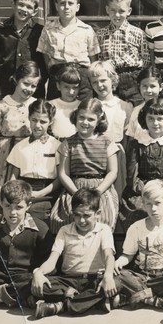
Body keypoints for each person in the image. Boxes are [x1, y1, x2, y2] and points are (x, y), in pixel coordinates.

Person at [30, 188, 119, 318]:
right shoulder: (64, 231)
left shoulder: (104, 230)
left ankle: (61, 305)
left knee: (119, 281)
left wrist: (108, 276)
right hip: (68, 281)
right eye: (77, 215)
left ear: (98, 213)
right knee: (38, 283)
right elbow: (52, 260)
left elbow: (109, 256)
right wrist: (39, 272)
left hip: (94, 280)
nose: (81, 220)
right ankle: (93, 302)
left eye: (86, 215)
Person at [0, 181, 53, 309]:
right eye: (7, 206)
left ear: (28, 206)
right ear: (1, 203)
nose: (12, 212)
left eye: (18, 207)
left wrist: (38, 272)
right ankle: (17, 296)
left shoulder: (40, 228)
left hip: (26, 277)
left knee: (45, 284)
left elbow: (50, 261)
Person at [113, 180, 163, 310]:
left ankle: (136, 297)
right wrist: (119, 261)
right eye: (148, 204)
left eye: (158, 203)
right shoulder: (136, 227)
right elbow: (127, 255)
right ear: (143, 203)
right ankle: (154, 299)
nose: (153, 209)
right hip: (143, 276)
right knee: (119, 275)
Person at [51, 98, 119, 233]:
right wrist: (76, 194)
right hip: (75, 187)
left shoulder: (107, 142)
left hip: (100, 188)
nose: (85, 122)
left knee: (102, 218)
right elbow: (63, 173)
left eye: (91, 119)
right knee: (64, 218)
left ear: (99, 120)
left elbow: (112, 172)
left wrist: (97, 192)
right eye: (81, 117)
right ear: (76, 117)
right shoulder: (68, 143)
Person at [0, 61, 39, 216]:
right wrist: (4, 153)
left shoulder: (36, 105)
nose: (29, 89)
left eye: (33, 86)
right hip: (5, 156)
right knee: (3, 190)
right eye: (26, 83)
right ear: (16, 80)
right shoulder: (1, 106)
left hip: (28, 155)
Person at [121, 98, 163, 231]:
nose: (155, 123)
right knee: (140, 211)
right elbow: (132, 177)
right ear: (144, 119)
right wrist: (147, 191)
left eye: (160, 119)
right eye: (150, 118)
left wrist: (161, 192)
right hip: (141, 191)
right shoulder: (136, 144)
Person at [0, 0, 47, 98]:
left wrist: (37, 79)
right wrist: (5, 71)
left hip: (33, 91)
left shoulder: (40, 32)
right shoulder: (2, 32)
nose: (24, 9)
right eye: (21, 4)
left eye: (29, 7)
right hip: (9, 89)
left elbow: (46, 63)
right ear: (13, 5)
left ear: (35, 12)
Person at [37, 0, 99, 99]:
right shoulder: (48, 29)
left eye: (70, 3)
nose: (66, 7)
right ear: (56, 6)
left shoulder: (87, 30)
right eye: (62, 3)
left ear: (77, 7)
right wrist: (55, 71)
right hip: (58, 78)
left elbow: (93, 59)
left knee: (84, 108)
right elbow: (45, 54)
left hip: (82, 79)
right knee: (55, 108)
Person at [6, 99, 61, 223]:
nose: (37, 125)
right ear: (29, 118)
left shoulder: (57, 146)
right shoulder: (20, 146)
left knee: (35, 212)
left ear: (51, 122)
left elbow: (60, 178)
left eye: (43, 121)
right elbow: (14, 177)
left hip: (48, 193)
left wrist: (40, 193)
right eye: (34, 120)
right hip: (23, 191)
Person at [96, 0, 150, 106]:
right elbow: (98, 60)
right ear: (107, 10)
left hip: (133, 79)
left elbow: (146, 60)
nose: (117, 15)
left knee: (135, 109)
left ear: (129, 11)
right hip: (110, 78)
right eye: (113, 10)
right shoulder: (100, 34)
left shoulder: (138, 33)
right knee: (112, 109)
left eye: (121, 11)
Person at [88, 60, 133, 146]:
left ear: (112, 80)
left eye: (103, 80)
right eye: (94, 82)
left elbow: (128, 138)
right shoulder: (90, 106)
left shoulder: (125, 107)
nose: (99, 85)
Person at [125, 66, 163, 142]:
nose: (148, 90)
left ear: (161, 87)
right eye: (144, 86)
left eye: (152, 86)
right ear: (139, 87)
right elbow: (131, 137)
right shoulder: (136, 111)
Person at [48, 63, 81, 139]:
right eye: (66, 87)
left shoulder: (82, 106)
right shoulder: (50, 105)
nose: (71, 92)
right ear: (58, 86)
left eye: (75, 87)